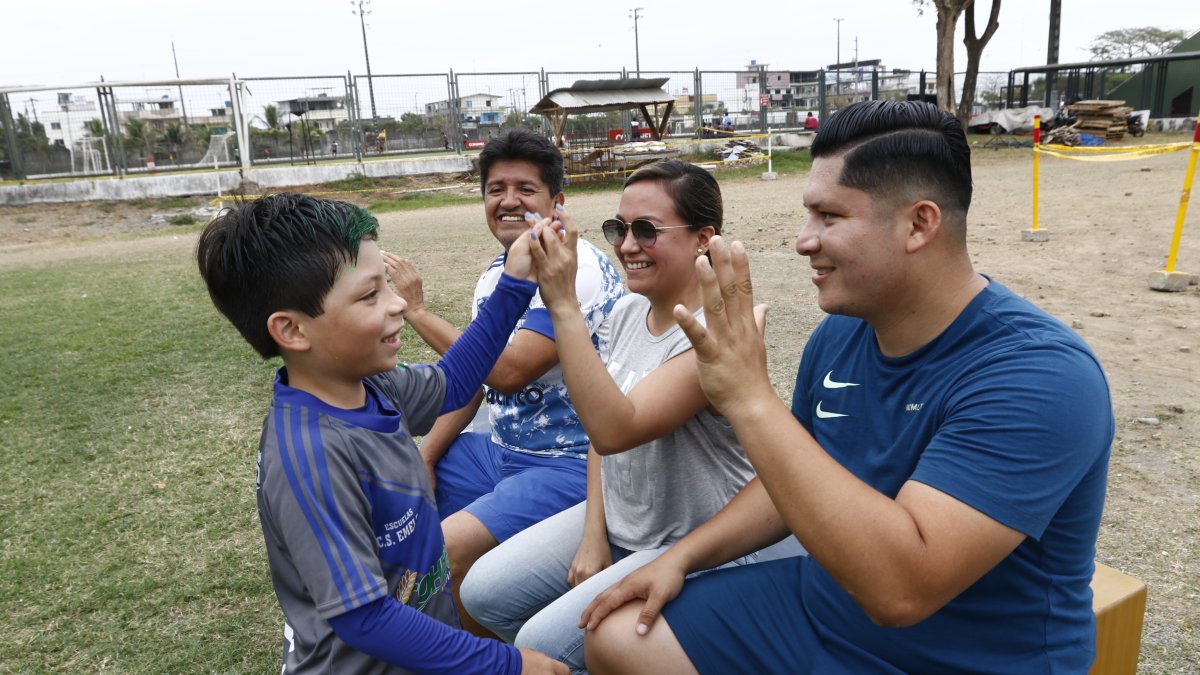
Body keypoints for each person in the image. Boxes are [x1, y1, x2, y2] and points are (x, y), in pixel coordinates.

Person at [580, 99, 1115, 674]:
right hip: (823, 608)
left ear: (919, 224)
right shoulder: (840, 335)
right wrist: (681, 558)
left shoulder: (1038, 374)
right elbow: (788, 481)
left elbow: (899, 593)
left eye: (828, 217)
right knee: (618, 636)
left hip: (963, 656)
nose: (803, 241)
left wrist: (747, 396)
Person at [195, 193, 568, 674]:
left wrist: (516, 281)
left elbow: (453, 383)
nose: (397, 304)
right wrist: (508, 664)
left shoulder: (368, 385)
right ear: (291, 330)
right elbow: (365, 617)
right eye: (370, 295)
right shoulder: (312, 456)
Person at [459, 161, 758, 674]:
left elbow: (614, 428)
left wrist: (563, 304)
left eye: (647, 230)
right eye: (619, 228)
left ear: (703, 238)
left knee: (542, 641)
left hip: (695, 536)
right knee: (482, 592)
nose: (627, 245)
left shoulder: (721, 332)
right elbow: (598, 440)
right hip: (623, 518)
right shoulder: (626, 313)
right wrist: (594, 534)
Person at [382, 128, 625, 636]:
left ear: (556, 202)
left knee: (441, 550)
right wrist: (425, 457)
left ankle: (480, 655)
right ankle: (459, 638)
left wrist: (419, 312)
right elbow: (472, 382)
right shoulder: (499, 272)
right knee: (393, 492)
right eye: (496, 189)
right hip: (500, 450)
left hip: (569, 465)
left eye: (525, 189)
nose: (508, 201)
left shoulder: (575, 270)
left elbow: (509, 374)